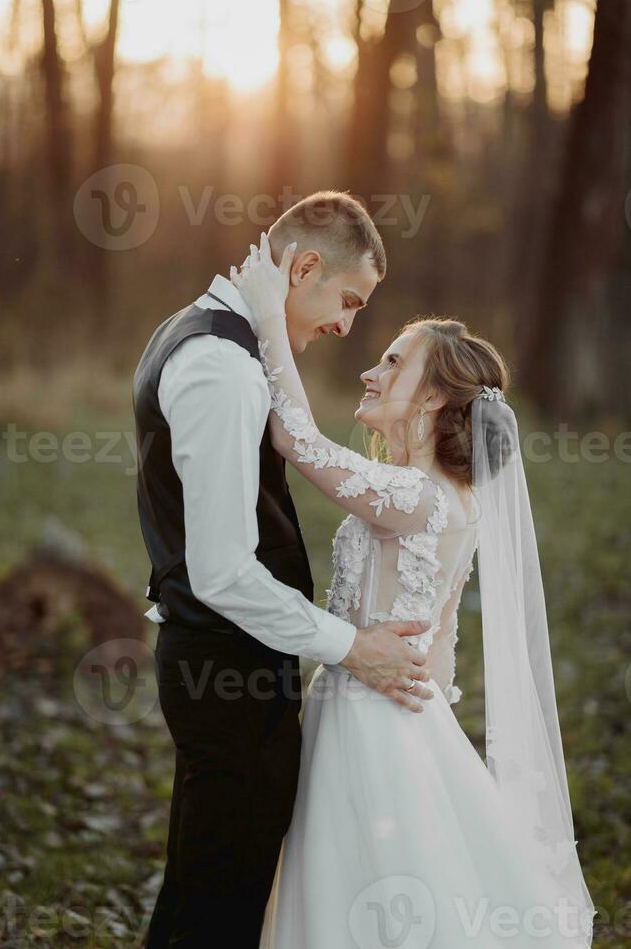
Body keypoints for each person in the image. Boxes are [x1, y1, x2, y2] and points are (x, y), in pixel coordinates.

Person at [229, 235, 596, 949]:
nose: (369, 372)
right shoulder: (444, 497)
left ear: (433, 395)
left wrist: (268, 316)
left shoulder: (419, 497)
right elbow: (443, 647)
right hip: (387, 715)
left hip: (373, 730)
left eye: (392, 363)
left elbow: (295, 440)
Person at [133, 192, 434, 949]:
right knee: (218, 907)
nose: (345, 326)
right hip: (225, 666)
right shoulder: (222, 368)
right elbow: (225, 572)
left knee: (207, 885)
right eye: (350, 300)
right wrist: (354, 646)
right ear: (303, 267)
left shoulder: (192, 333)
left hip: (225, 663)